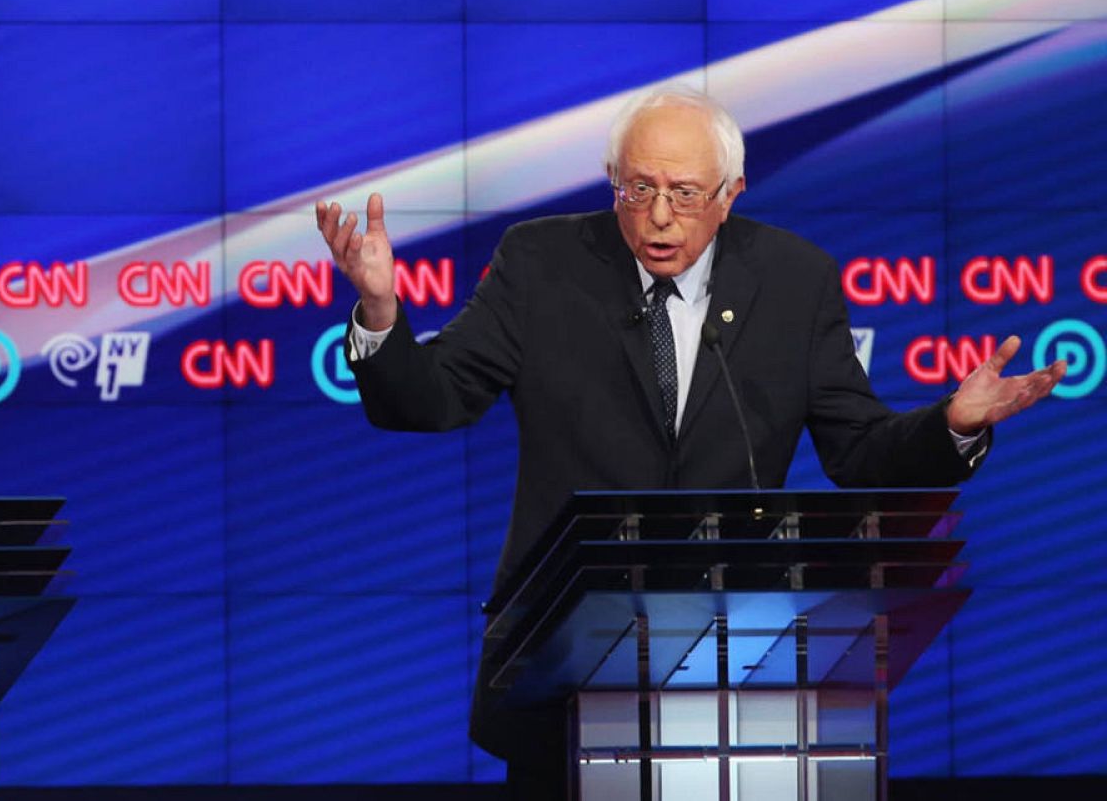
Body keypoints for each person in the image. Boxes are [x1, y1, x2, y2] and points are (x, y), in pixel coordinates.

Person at [315, 85, 1065, 796]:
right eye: (638, 189)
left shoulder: (794, 280)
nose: (659, 216)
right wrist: (380, 313)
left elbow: (859, 451)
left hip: (736, 662)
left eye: (684, 193)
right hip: (563, 660)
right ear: (612, 182)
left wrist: (954, 424)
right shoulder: (541, 264)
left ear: (730, 194)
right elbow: (434, 399)